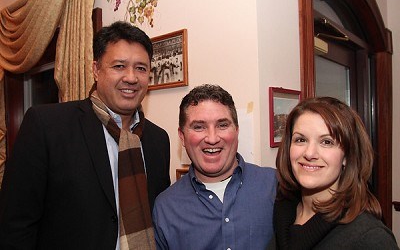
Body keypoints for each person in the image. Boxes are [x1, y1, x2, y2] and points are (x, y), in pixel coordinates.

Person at [0, 21, 171, 249]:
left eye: (141, 68)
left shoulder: (158, 140)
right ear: (96, 70)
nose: (131, 77)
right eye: (119, 66)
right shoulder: (47, 126)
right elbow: (15, 225)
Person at [152, 84, 277, 250]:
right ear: (182, 137)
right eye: (199, 127)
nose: (212, 138)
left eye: (222, 125)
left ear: (236, 131)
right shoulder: (165, 207)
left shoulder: (275, 186)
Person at [270, 96, 399, 249]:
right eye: (300, 140)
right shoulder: (283, 212)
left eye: (327, 142)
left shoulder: (370, 237)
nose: (310, 153)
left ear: (347, 156)